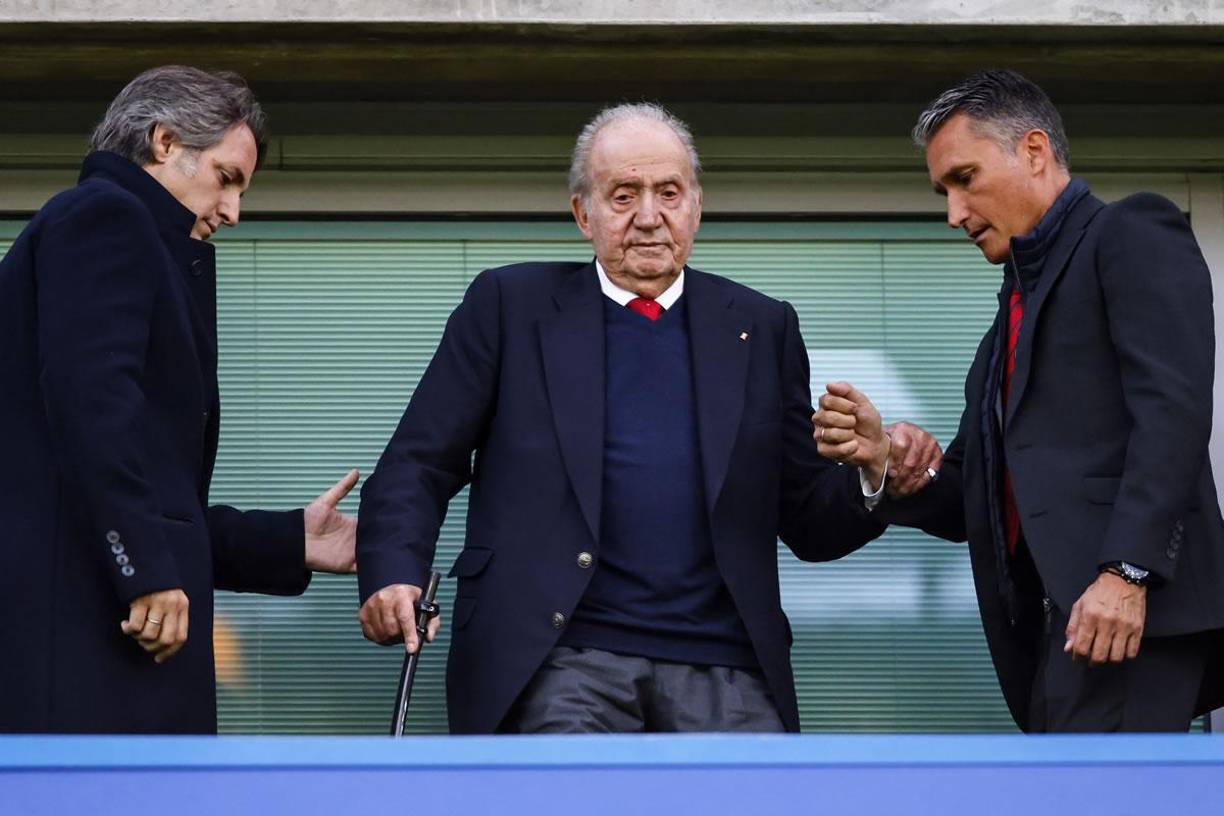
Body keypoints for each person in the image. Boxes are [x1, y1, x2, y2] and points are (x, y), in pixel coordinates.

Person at [356, 102, 932, 734]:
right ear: (584, 214)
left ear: (696, 206)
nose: (649, 217)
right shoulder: (509, 307)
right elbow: (418, 461)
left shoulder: (762, 327)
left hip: (727, 664)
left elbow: (805, 521)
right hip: (558, 659)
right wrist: (393, 574)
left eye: (668, 193)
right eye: (623, 195)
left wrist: (873, 473)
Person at [814, 69, 1224, 731]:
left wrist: (1128, 572)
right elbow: (969, 502)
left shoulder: (1130, 231)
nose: (954, 213)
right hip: (1053, 633)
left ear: (1034, 152)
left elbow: (1173, 414)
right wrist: (886, 459)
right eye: (943, 191)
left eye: (965, 179)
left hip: (1126, 614)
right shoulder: (1002, 333)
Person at [0, 66, 359, 734]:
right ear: (165, 142)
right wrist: (143, 569)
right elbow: (91, 406)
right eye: (227, 178)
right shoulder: (104, 216)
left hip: (100, 643)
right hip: (88, 653)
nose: (232, 211)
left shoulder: (114, 234)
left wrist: (289, 542)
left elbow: (149, 496)